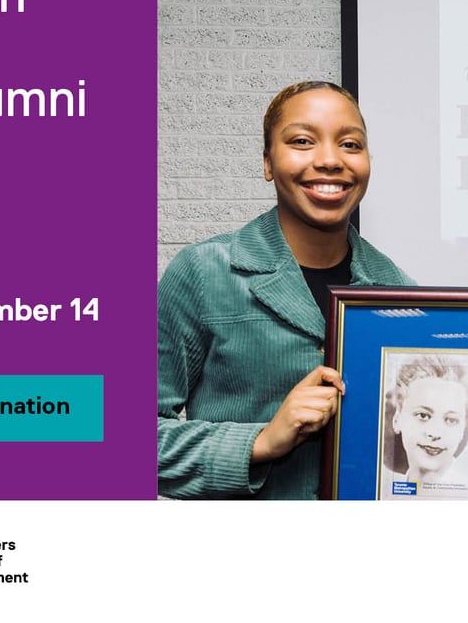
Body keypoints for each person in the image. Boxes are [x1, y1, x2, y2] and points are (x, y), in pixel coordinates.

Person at [157, 81, 415, 499]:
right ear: (267, 162)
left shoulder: (400, 291)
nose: (330, 160)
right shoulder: (204, 272)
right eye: (302, 141)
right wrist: (261, 442)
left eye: (350, 144)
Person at [383, 354, 468, 485]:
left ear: (463, 427)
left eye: (451, 420)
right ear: (397, 418)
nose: (435, 433)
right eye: (423, 415)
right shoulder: (388, 488)